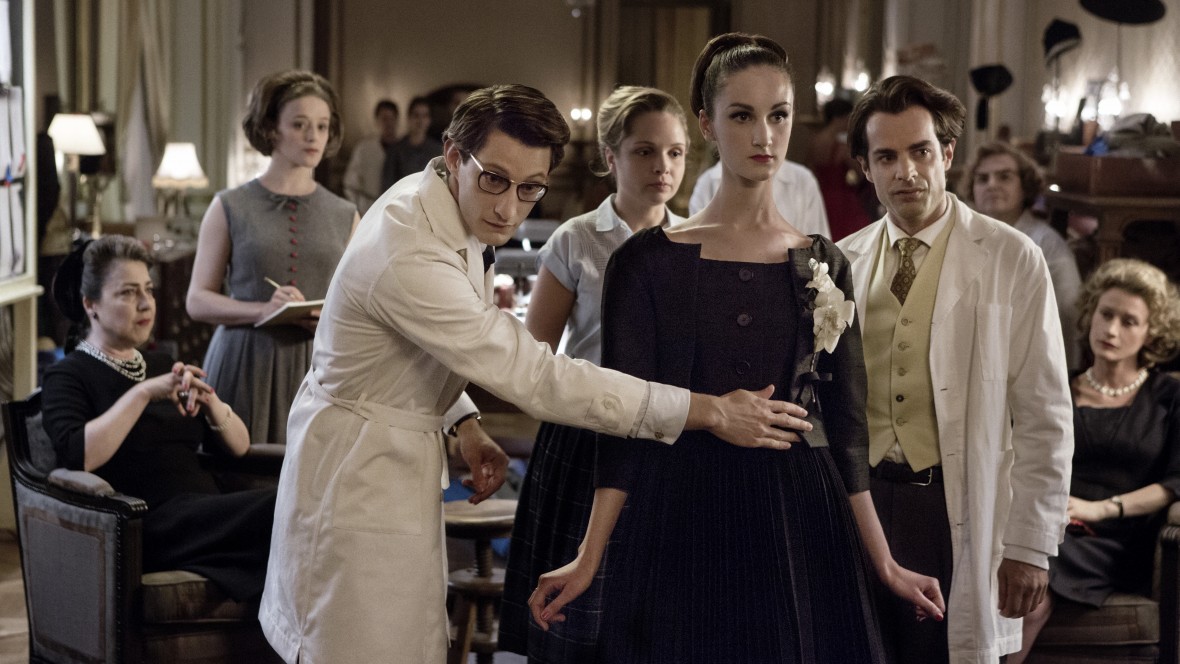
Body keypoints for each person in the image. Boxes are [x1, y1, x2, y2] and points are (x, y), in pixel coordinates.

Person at [258, 83, 811, 664]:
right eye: (494, 180)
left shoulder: (439, 197)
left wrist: (463, 420)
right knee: (359, 646)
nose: (508, 208)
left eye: (530, 189)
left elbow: (410, 342)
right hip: (357, 474)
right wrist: (707, 409)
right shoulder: (408, 244)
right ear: (453, 155)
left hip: (393, 454)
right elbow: (535, 375)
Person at [528, 34, 944, 663]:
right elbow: (628, 424)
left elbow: (847, 430)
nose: (764, 136)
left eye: (778, 114)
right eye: (742, 115)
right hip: (677, 515)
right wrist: (588, 557)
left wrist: (884, 562)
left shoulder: (824, 261)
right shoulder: (645, 262)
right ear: (707, 124)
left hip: (799, 521)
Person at [836, 75, 1074, 663]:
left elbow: (1044, 413)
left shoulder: (1013, 257)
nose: (906, 172)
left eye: (920, 151)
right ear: (866, 168)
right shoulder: (841, 261)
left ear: (946, 154)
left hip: (953, 505)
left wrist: (1030, 546)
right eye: (886, 157)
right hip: (859, 504)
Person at [498, 85, 689, 661]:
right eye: (644, 151)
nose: (662, 167)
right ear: (611, 156)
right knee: (576, 622)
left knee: (653, 616)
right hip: (587, 432)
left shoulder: (693, 240)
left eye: (675, 152)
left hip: (666, 436)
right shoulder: (578, 238)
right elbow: (536, 355)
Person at [41, 235, 276, 601]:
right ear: (91, 304)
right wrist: (143, 393)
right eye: (128, 292)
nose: (145, 303)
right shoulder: (68, 375)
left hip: (204, 513)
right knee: (283, 507)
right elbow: (80, 456)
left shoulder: (163, 365)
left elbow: (239, 446)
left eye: (148, 290)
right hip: (145, 523)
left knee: (293, 518)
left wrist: (210, 401)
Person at [1008, 258, 1180, 663]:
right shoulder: (1055, 386)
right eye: (1106, 314)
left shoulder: (1168, 397)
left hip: (1115, 539)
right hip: (1047, 521)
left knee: (1030, 583)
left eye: (1129, 321)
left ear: (1152, 331)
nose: (1112, 329)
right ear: (1091, 314)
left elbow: (1176, 481)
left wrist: (1100, 508)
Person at [186, 70, 360, 446]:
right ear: (271, 129)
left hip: (317, 367)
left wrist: (329, 317)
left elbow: (360, 304)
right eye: (299, 124)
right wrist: (262, 310)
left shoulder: (346, 215)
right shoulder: (229, 205)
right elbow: (197, 300)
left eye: (322, 126)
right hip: (244, 362)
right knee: (238, 474)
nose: (313, 136)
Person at [964, 141, 1083, 370]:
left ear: (1025, 186)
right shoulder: (963, 239)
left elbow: (1068, 314)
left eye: (1004, 177)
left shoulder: (1046, 244)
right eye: (982, 179)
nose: (992, 185)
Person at [688, 147, 831, 238]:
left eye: (777, 117)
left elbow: (820, 257)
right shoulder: (708, 183)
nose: (764, 137)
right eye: (743, 117)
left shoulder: (802, 181)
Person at [807, 97, 873, 241]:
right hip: (841, 200)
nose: (849, 122)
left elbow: (811, 170)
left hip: (820, 196)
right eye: (848, 117)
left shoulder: (814, 141)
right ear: (838, 118)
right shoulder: (841, 146)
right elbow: (860, 173)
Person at [343, 98, 400, 213]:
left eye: (392, 119)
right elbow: (350, 183)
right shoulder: (364, 149)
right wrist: (360, 209)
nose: (388, 123)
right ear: (377, 121)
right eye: (384, 119)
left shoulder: (404, 149)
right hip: (369, 209)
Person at [384, 96, 445, 186]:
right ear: (409, 118)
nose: (420, 121)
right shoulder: (396, 151)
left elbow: (442, 182)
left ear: (429, 120)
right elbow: (388, 183)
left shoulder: (437, 150)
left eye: (424, 116)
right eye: (416, 115)